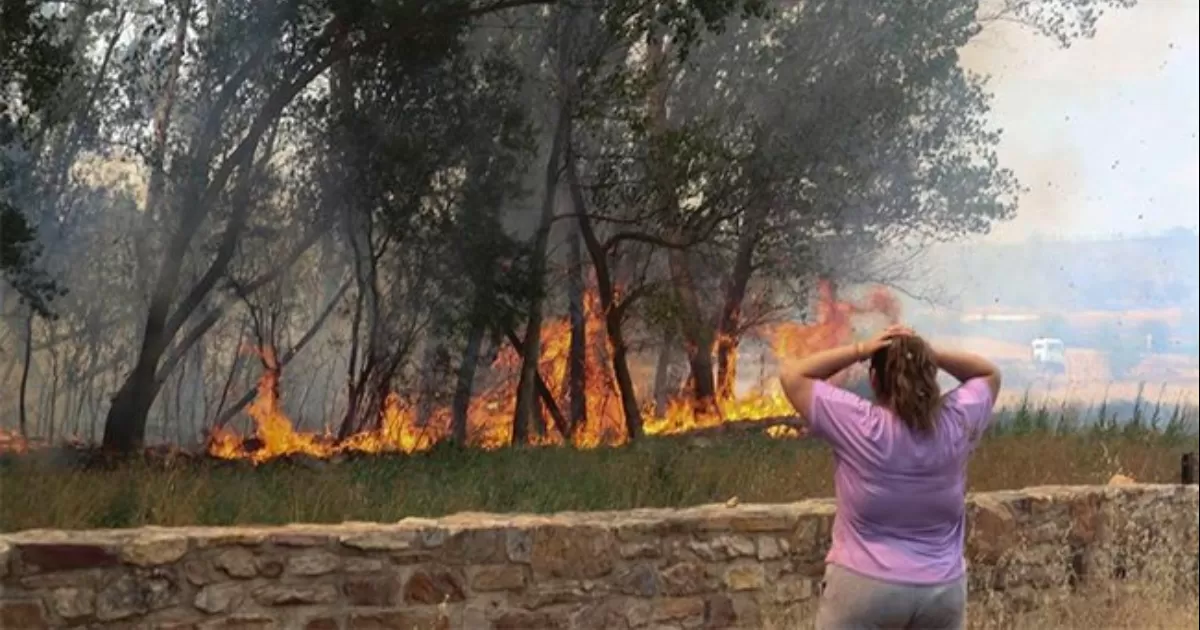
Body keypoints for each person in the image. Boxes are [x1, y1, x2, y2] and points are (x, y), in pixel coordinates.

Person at [779, 325, 1002, 630]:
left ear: (874, 380)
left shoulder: (860, 424)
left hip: (863, 587)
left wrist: (860, 350)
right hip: (941, 591)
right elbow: (989, 374)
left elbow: (793, 376)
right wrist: (927, 354)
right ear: (929, 376)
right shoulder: (955, 422)